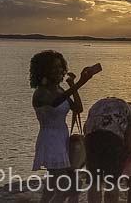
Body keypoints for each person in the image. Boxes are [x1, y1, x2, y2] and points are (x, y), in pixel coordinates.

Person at [30, 51, 96, 203]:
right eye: (54, 68)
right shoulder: (41, 93)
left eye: (60, 67)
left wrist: (73, 85)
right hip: (51, 139)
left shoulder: (59, 90)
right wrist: (82, 81)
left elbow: (78, 108)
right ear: (44, 70)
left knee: (53, 188)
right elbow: (55, 102)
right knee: (63, 186)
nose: (59, 71)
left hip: (62, 137)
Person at [85, 97, 131, 203]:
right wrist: (126, 152)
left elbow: (86, 127)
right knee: (112, 182)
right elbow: (130, 138)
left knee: (94, 181)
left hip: (92, 138)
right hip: (113, 140)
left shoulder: (97, 105)